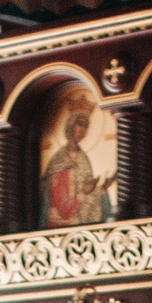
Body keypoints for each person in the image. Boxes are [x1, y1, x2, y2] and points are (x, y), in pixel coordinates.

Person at [40, 93, 113, 226]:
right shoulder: (58, 160)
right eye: (79, 124)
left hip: (80, 224)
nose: (82, 130)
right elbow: (62, 206)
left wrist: (102, 189)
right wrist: (84, 191)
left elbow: (87, 202)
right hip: (59, 226)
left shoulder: (84, 159)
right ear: (71, 124)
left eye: (86, 126)